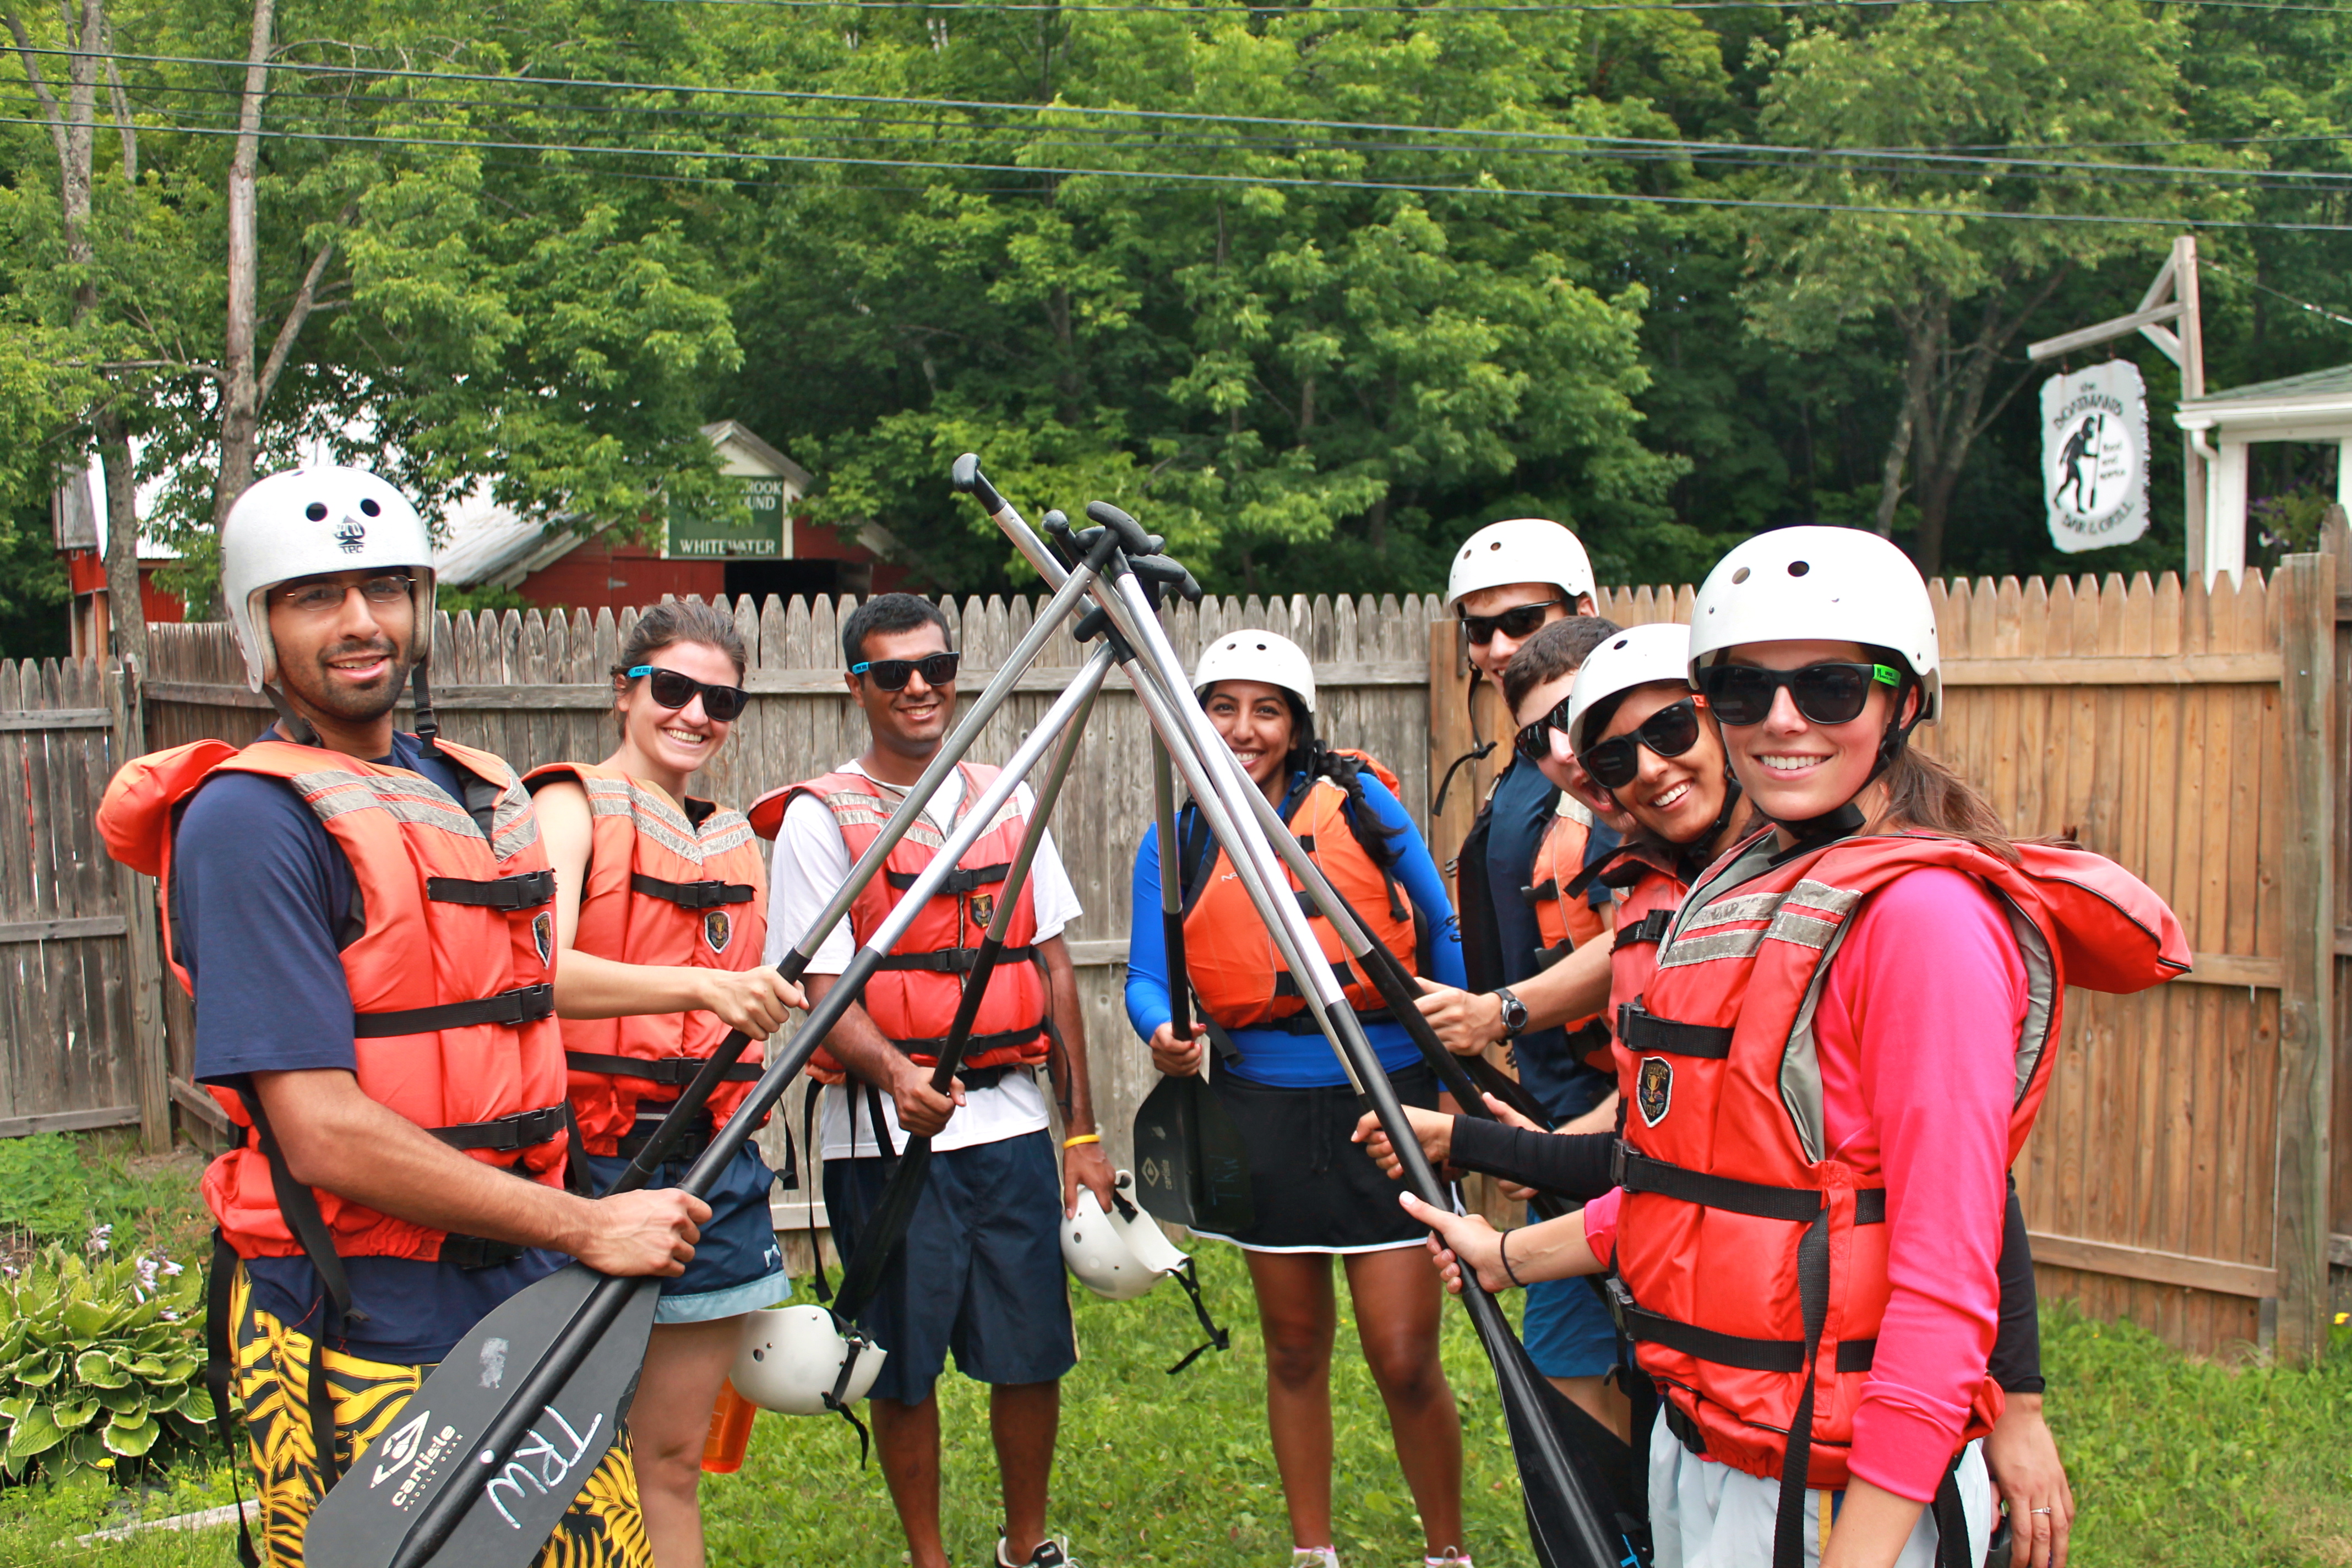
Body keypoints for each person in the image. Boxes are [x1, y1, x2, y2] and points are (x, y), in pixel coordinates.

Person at [1402, 528, 2182, 1568]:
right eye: (1743, 690)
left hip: (1834, 1490)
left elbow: (1945, 1285)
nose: (1782, 720)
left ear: (1903, 700)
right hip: (1710, 1445)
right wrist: (1507, 1257)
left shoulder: (1924, 920)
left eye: (1829, 687)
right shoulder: (1745, 898)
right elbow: (1702, 1193)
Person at [95, 467, 705, 1568]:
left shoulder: (463, 789)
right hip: (361, 1303)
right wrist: (584, 1226)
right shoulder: (251, 822)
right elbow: (321, 1130)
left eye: (384, 587)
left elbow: (513, 1010)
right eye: (314, 596)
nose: (360, 621)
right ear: (257, 627)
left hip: (521, 1279)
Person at [751, 592, 1114, 1568]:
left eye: (937, 668)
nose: (919, 687)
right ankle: (929, 1559)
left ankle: (1027, 1545)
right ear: (857, 686)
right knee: (900, 1364)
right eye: (893, 672)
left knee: (1031, 1351)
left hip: (1008, 1129)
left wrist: (1081, 1134)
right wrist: (896, 1073)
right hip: (881, 1136)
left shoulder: (1009, 796)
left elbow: (1050, 967)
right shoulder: (821, 820)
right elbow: (823, 989)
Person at [1125, 630, 1473, 1568]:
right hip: (1260, 1114)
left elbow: (1439, 928)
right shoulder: (1179, 834)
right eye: (1223, 708)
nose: (1244, 729)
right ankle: (1312, 1551)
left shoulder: (1361, 805)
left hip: (1385, 1100)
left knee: (1404, 1356)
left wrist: (1455, 1084)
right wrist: (1161, 1031)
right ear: (1195, 720)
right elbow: (1148, 978)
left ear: (1297, 724)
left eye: (1266, 710)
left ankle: (1448, 1552)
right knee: (1291, 1348)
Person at [527, 600, 807, 1568]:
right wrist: (704, 987)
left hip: (713, 1169)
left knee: (673, 1459)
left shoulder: (729, 835)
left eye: (719, 700)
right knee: (561, 1457)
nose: (695, 714)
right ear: (625, 691)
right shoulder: (569, 807)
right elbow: (538, 972)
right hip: (589, 1164)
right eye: (673, 689)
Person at [1431, 541, 1633, 1433]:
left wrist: (1499, 1014)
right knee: (1575, 1394)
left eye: (1524, 619)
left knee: (1612, 1406)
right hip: (1561, 1132)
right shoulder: (1531, 766)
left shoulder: (1619, 773)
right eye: (1481, 629)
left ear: (1583, 610)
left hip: (1622, 1128)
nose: (1500, 645)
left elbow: (1648, 947)